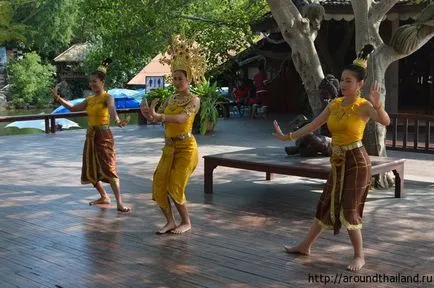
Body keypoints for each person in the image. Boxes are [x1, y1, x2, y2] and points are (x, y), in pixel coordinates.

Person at [272, 44, 390, 271]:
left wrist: (379, 105)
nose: (344, 84)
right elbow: (313, 125)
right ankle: (305, 245)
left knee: (349, 207)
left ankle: (359, 255)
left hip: (357, 161)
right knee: (327, 202)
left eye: (349, 81)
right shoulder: (335, 105)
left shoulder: (363, 106)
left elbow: (385, 121)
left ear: (360, 84)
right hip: (337, 161)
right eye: (342, 79)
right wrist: (286, 137)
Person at [140, 35, 205, 234]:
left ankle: (186, 222)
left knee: (175, 185)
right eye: (174, 78)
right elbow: (158, 118)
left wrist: (159, 116)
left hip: (186, 148)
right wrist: (149, 114)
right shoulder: (170, 99)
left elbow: (181, 120)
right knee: (159, 183)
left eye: (180, 79)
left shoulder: (194, 100)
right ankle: (170, 221)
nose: (177, 82)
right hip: (169, 147)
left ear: (188, 79)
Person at [52, 59, 130, 213]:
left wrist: (118, 120)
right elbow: (73, 109)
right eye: (90, 82)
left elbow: (112, 109)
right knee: (90, 168)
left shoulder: (107, 97)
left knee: (109, 167)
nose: (92, 84)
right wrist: (58, 98)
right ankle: (104, 196)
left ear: (102, 82)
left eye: (95, 81)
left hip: (104, 135)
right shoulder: (89, 100)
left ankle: (119, 203)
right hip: (91, 135)